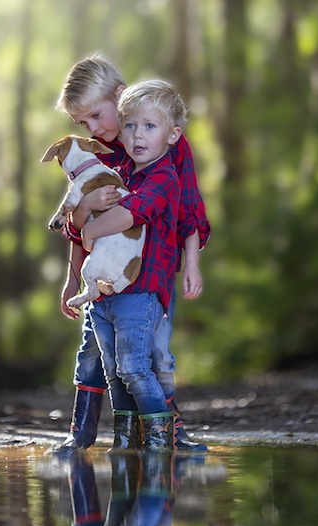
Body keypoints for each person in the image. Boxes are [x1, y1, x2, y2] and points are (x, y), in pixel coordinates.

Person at [51, 55, 210, 454]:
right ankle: (81, 434)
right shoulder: (93, 156)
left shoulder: (167, 146)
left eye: (97, 115)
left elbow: (189, 210)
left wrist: (192, 262)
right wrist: (72, 277)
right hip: (102, 278)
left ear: (119, 97)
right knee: (93, 351)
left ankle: (170, 433)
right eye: (82, 123)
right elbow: (75, 221)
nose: (94, 128)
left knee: (154, 354)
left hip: (150, 276)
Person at [78, 78, 187, 452]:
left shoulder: (163, 177)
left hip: (141, 292)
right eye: (130, 126)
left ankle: (161, 439)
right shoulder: (121, 175)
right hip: (105, 294)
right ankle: (125, 440)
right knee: (114, 373)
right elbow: (79, 216)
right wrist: (84, 210)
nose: (138, 135)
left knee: (135, 368)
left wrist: (90, 225)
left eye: (150, 127)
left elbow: (131, 215)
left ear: (172, 136)